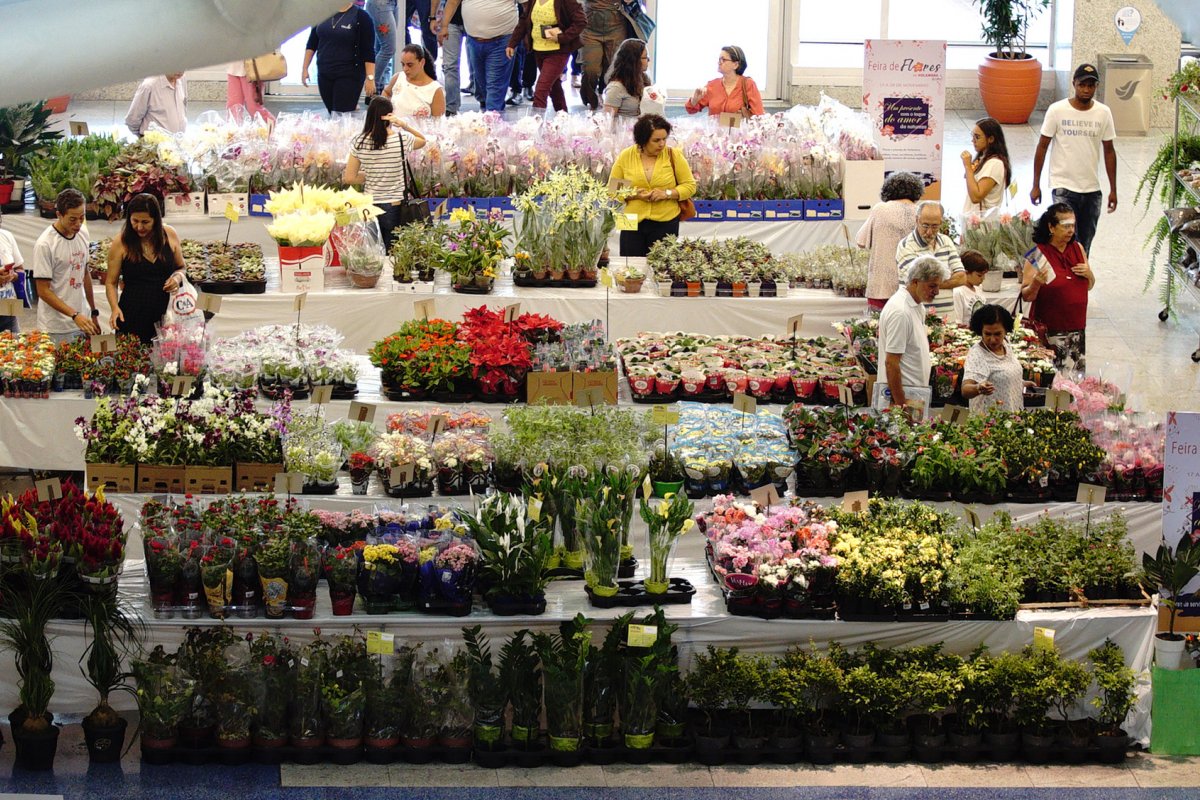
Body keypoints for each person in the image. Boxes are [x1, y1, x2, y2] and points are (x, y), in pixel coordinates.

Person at [1030, 63, 1117, 254]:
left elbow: (1109, 150)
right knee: (1064, 241)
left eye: (1090, 85)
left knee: (1083, 247)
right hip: (1064, 188)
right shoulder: (1056, 110)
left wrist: (1113, 189)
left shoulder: (1103, 113)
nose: (1086, 90)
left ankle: (1079, 282)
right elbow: (1042, 146)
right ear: (1074, 84)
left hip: (1091, 191)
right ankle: (1063, 280)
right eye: (1082, 85)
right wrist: (1036, 185)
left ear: (1096, 87)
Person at [343, 96, 427, 251]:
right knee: (393, 251)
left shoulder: (359, 141)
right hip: (395, 205)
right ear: (390, 115)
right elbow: (422, 140)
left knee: (374, 251)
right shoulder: (402, 139)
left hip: (369, 205)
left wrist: (372, 172)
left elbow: (349, 177)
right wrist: (404, 125)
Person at [607, 114, 696, 257]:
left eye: (664, 139)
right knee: (630, 266)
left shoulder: (673, 155)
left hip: (666, 219)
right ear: (643, 140)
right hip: (630, 219)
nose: (662, 144)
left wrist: (666, 194)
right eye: (656, 140)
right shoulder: (626, 156)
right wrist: (634, 194)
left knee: (662, 269)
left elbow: (690, 186)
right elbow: (613, 190)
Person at [1020, 202, 1096, 371]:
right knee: (1053, 379)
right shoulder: (1037, 255)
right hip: (1051, 331)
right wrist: (1036, 283)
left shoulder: (1078, 248)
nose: (1071, 230)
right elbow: (1026, 295)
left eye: (1073, 225)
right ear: (1051, 227)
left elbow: (1088, 285)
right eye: (1065, 226)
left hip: (1077, 329)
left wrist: (1089, 274)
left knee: (1075, 377)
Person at [104, 194, 187, 346]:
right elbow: (111, 282)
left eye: (145, 222)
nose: (139, 227)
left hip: (166, 314)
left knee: (167, 360)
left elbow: (181, 267)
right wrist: (114, 308)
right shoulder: (121, 242)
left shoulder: (169, 235)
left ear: (156, 220)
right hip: (132, 313)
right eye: (135, 221)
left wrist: (177, 278)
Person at [877, 255, 948, 410]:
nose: (936, 292)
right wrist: (902, 405)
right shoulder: (901, 312)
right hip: (902, 398)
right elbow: (891, 363)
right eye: (932, 286)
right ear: (915, 282)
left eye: (938, 286)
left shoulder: (917, 306)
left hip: (914, 393)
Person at [32, 189, 98, 344]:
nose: (78, 224)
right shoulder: (45, 244)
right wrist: (74, 315)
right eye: (72, 219)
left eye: (82, 217)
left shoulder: (83, 233)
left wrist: (93, 312)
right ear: (59, 215)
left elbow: (85, 273)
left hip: (82, 320)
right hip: (56, 327)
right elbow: (43, 290)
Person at [855, 171, 923, 311]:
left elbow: (861, 241)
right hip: (912, 285)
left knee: (878, 329)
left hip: (881, 284)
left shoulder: (880, 209)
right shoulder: (920, 212)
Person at [438, 0, 519, 114]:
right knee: (483, 86)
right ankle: (493, 120)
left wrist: (523, 33)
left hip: (502, 40)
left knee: (494, 88)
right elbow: (452, 2)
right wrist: (444, 25)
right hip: (474, 40)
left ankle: (493, 122)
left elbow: (527, 6)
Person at [506, 0, 587, 114]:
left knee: (541, 89)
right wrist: (512, 43)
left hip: (558, 52)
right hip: (539, 50)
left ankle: (534, 124)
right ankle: (563, 117)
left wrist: (562, 37)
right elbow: (524, 21)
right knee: (554, 87)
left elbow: (581, 22)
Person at [302, 3, 378, 114]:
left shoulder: (362, 17)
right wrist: (305, 68)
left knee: (340, 113)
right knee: (331, 111)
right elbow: (312, 43)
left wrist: (370, 78)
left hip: (350, 74)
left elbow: (368, 50)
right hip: (324, 72)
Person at [961, 304, 1026, 414]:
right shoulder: (978, 354)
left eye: (997, 334)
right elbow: (965, 389)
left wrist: (1019, 382)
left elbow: (1006, 373)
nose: (992, 340)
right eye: (987, 334)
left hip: (1013, 416)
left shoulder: (1006, 344)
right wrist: (978, 388)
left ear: (1006, 331)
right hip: (991, 423)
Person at [895, 201, 966, 289]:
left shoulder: (946, 241)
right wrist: (949, 278)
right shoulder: (906, 246)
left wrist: (931, 283)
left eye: (934, 226)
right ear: (917, 220)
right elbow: (916, 283)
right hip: (917, 303)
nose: (929, 232)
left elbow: (962, 278)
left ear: (941, 222)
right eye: (925, 225)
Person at [579, 0, 630, 111]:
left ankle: (610, 100)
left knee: (612, 68)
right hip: (589, 25)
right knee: (590, 69)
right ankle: (591, 100)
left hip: (616, 24)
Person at [684, 46, 764, 118]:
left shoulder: (748, 84)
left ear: (735, 65)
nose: (719, 62)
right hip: (716, 134)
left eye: (723, 60)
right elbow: (690, 110)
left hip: (740, 133)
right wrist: (694, 100)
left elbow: (759, 116)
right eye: (719, 59)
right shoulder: (712, 85)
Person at [960, 116, 1011, 218]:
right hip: (973, 220)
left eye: (977, 137)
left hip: (983, 224)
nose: (973, 140)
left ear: (991, 139)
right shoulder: (983, 158)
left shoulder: (995, 164)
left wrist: (967, 166)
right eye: (972, 136)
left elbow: (976, 196)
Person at [383, 44, 446, 117]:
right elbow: (386, 92)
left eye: (410, 65)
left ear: (422, 62)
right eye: (403, 64)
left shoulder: (435, 90)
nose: (405, 69)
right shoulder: (397, 77)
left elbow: (438, 123)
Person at [603, 38, 651, 121]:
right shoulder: (616, 88)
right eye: (645, 57)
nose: (648, 60)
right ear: (634, 61)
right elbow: (606, 121)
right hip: (623, 132)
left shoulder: (644, 80)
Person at [435, 0, 467, 115]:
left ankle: (485, 102)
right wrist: (442, 24)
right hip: (451, 21)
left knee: (479, 64)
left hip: (476, 20)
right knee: (450, 66)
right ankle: (451, 107)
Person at [365, 0, 401, 90]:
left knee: (382, 48)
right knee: (388, 49)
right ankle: (372, 88)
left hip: (390, 4)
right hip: (381, 4)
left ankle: (377, 90)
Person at [0, 212, 24, 334]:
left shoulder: (6, 236)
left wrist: (13, 276)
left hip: (8, 305)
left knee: (14, 348)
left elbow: (20, 269)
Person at [952, 250, 989, 326]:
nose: (983, 278)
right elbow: (957, 323)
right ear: (966, 273)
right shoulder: (958, 292)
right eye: (979, 275)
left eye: (984, 275)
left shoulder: (978, 288)